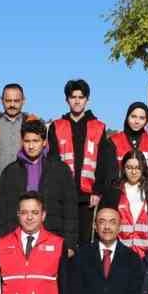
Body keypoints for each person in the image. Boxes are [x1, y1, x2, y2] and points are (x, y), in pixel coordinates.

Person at [0, 120, 79, 255]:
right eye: (27, 141)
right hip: (17, 240)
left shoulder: (60, 170)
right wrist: (2, 240)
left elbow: (70, 208)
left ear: (44, 142)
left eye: (35, 141)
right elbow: (2, 210)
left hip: (52, 237)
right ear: (21, 141)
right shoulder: (10, 172)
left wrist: (70, 243)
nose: (31, 146)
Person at [49, 78, 106, 246]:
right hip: (63, 194)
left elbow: (103, 161)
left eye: (81, 97)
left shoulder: (98, 126)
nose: (77, 101)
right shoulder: (57, 126)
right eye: (73, 97)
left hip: (87, 197)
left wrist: (97, 191)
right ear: (67, 99)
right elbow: (52, 159)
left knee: (84, 241)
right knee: (63, 240)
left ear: (87, 99)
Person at [99, 101, 148, 200]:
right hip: (119, 195)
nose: (137, 121)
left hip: (144, 196)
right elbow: (109, 176)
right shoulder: (113, 142)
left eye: (142, 118)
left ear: (146, 120)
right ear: (127, 117)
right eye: (133, 116)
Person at [108, 150, 148, 258]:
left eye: (138, 168)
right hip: (119, 252)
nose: (133, 172)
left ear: (143, 168)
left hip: (146, 254)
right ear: (123, 168)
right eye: (129, 168)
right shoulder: (114, 190)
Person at [0, 82, 34, 181]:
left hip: (26, 184)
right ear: (1, 100)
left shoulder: (34, 125)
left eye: (16, 101)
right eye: (8, 101)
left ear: (23, 101)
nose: (12, 105)